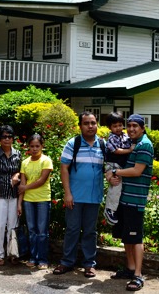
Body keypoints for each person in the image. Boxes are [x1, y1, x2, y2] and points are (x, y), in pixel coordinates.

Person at [53, 111, 105, 278]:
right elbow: (64, 169)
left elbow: (109, 167)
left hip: (94, 197)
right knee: (72, 229)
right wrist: (67, 193)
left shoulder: (103, 145)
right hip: (74, 197)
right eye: (86, 123)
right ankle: (67, 262)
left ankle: (89, 264)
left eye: (93, 123)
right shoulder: (72, 143)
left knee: (90, 231)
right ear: (80, 126)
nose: (90, 126)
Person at [109, 114, 154, 292]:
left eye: (136, 126)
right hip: (125, 198)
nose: (132, 129)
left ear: (143, 128)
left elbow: (137, 171)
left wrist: (115, 171)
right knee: (127, 236)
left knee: (136, 238)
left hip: (136, 200)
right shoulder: (132, 144)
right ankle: (129, 269)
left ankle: (138, 275)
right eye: (130, 126)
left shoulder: (144, 145)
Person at [17, 134, 53, 269]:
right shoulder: (25, 162)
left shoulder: (46, 161)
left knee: (42, 231)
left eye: (37, 146)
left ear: (42, 146)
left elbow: (42, 180)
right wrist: (19, 203)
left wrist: (25, 187)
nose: (34, 149)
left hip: (43, 199)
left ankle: (43, 259)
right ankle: (33, 258)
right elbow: (22, 186)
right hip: (28, 200)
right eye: (31, 146)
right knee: (31, 230)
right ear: (28, 147)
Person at [0, 125, 22, 265]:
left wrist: (17, 175)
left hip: (14, 195)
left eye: (9, 137)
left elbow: (21, 171)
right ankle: (0, 255)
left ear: (13, 139)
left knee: (13, 225)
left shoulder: (18, 154)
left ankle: (12, 252)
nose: (7, 139)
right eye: (4, 137)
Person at [103, 111, 133, 225]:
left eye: (120, 125)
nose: (118, 128)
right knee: (116, 186)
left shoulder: (125, 136)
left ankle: (116, 209)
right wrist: (129, 150)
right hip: (113, 165)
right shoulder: (111, 138)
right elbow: (116, 150)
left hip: (121, 165)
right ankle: (109, 209)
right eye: (115, 126)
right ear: (110, 127)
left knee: (121, 189)